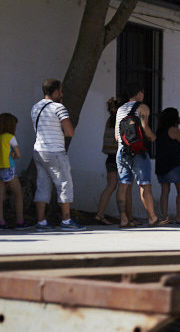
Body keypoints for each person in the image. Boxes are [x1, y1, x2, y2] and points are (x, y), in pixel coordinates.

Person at [30, 78, 83, 231]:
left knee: (42, 186)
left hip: (39, 150)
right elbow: (70, 132)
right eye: (61, 91)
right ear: (55, 92)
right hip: (55, 151)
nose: (62, 94)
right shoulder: (58, 108)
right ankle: (66, 221)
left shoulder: (35, 107)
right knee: (65, 184)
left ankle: (41, 221)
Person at [115, 85, 167, 228]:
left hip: (122, 150)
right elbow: (145, 128)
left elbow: (116, 135)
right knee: (145, 185)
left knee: (123, 185)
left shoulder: (120, 110)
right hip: (138, 151)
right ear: (139, 93)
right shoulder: (143, 107)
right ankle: (152, 218)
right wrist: (153, 137)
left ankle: (124, 219)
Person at [154, 107, 180, 223]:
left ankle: (164, 217)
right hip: (173, 165)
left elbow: (167, 146)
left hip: (161, 164)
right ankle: (179, 216)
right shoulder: (174, 130)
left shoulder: (160, 131)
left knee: (164, 191)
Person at [96, 97, 127, 225]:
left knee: (110, 186)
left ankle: (100, 214)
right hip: (120, 157)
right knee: (125, 187)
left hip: (110, 157)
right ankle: (126, 217)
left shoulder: (110, 120)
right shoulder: (122, 121)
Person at [0, 112, 26, 229]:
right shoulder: (10, 137)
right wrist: (13, 154)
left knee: (1, 196)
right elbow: (18, 155)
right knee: (18, 194)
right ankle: (20, 221)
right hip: (8, 168)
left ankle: (1, 221)